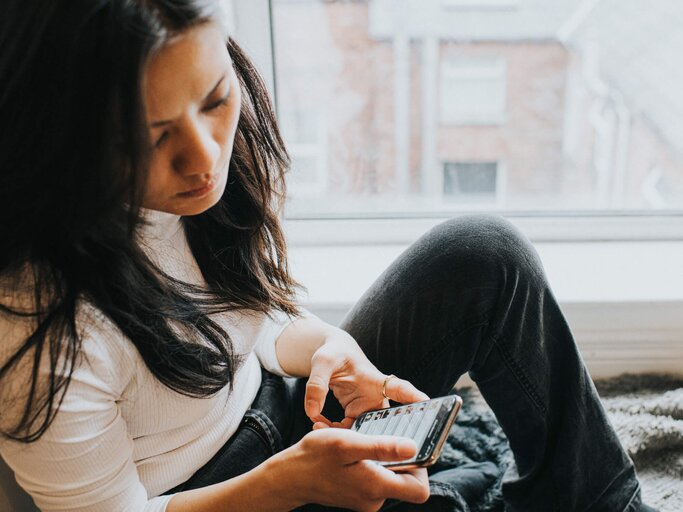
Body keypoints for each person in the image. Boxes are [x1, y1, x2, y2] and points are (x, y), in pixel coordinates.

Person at [0, 1, 655, 511]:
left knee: (484, 256)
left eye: (215, 100)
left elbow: (252, 322)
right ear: (63, 136)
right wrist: (286, 486)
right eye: (152, 136)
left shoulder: (195, 187)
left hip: (279, 415)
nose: (204, 159)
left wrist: (322, 350)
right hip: (213, 496)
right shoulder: (36, 331)